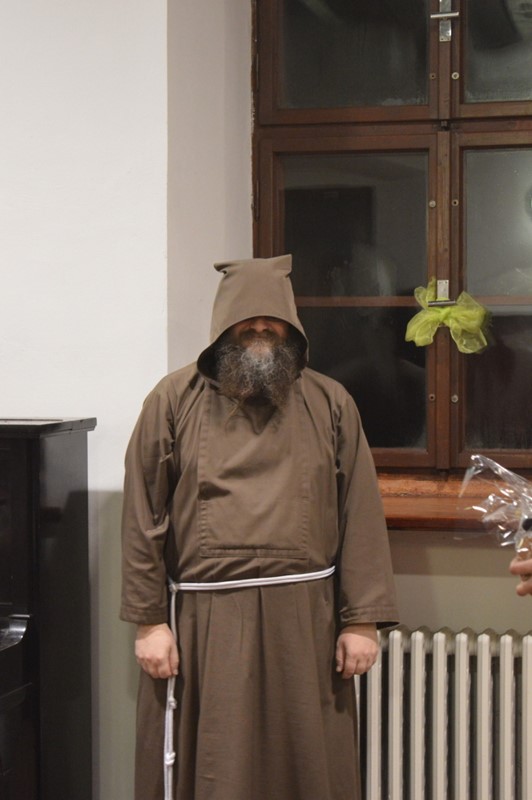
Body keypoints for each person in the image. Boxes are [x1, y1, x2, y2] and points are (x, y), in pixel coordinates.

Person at [120, 255, 398, 800]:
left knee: (306, 764)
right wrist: (149, 623)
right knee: (217, 765)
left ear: (292, 330)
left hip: (306, 620)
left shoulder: (330, 402)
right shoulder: (172, 400)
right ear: (224, 328)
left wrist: (362, 621)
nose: (261, 333)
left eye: (273, 324)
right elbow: (142, 515)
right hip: (202, 623)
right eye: (248, 324)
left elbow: (359, 512)